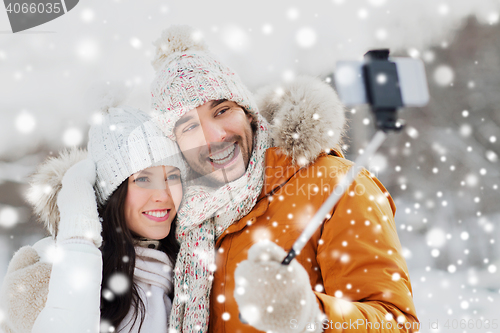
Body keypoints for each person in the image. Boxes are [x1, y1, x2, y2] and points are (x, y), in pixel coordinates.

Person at [149, 25, 419, 332]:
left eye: (222, 110)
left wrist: (312, 315)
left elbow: (395, 322)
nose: (214, 136)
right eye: (188, 127)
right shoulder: (183, 220)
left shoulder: (338, 186)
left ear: (248, 113)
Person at [0, 101, 187, 333]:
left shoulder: (189, 272)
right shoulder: (45, 270)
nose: (163, 195)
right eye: (143, 179)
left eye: (172, 176)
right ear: (111, 193)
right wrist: (79, 233)